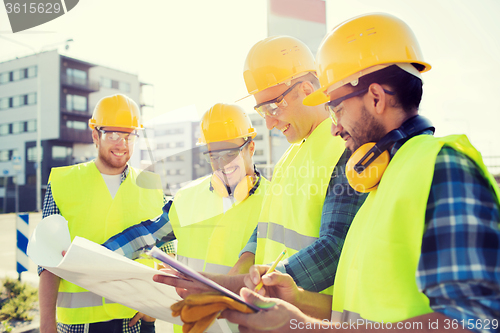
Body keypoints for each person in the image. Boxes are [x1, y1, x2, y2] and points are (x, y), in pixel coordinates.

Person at [222, 13, 500, 332]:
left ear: (377, 98)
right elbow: (357, 313)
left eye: (337, 109)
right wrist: (297, 299)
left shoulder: (442, 168)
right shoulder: (381, 180)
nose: (335, 127)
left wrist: (307, 328)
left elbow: (479, 320)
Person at [102, 103, 270, 332]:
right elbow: (145, 236)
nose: (223, 164)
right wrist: (97, 256)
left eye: (231, 153)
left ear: (250, 147)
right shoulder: (188, 197)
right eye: (214, 155)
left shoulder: (273, 200)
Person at [233, 35, 367, 294]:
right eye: (263, 111)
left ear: (307, 90)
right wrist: (245, 260)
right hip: (272, 310)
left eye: (273, 107)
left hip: (307, 315)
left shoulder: (342, 150)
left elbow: (335, 249)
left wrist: (264, 285)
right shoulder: (290, 156)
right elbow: (269, 223)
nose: (269, 123)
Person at [38, 94, 164, 333]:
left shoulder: (151, 185)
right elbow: (47, 261)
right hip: (79, 325)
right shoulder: (63, 183)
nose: (122, 144)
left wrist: (153, 306)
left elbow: (166, 253)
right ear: (95, 135)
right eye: (114, 134)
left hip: (137, 322)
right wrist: (46, 325)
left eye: (130, 135)